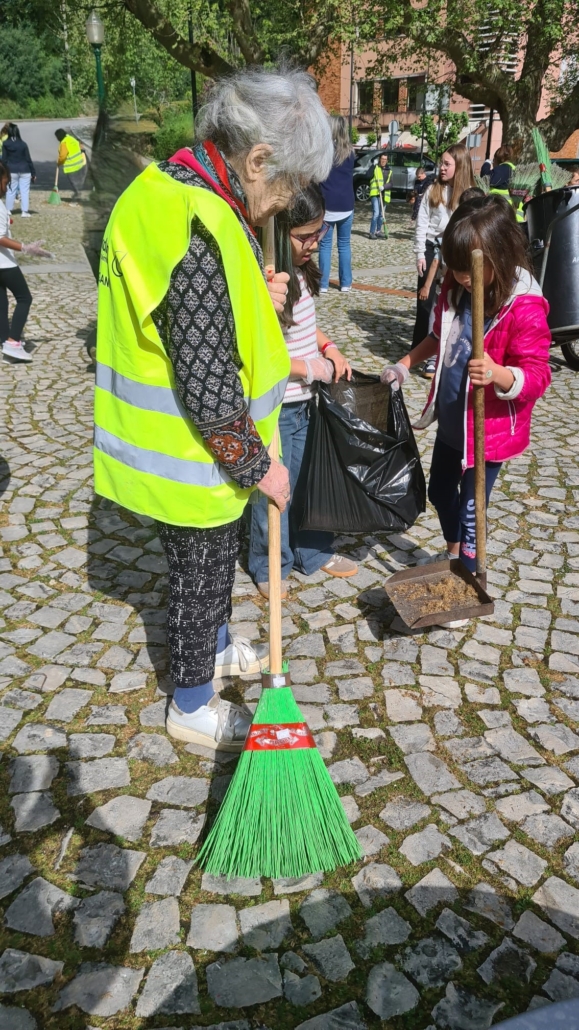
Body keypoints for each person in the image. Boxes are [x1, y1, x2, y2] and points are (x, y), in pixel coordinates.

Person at [94, 66, 334, 750]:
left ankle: (220, 644)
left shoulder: (177, 189)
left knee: (213, 564)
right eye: (287, 183)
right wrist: (261, 468)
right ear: (256, 161)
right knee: (199, 574)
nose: (284, 202)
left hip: (198, 450)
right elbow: (205, 381)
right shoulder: (198, 223)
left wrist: (253, 290)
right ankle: (192, 703)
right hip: (190, 454)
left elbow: (200, 317)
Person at [382, 194, 551, 581]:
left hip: (486, 432)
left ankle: (469, 580)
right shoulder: (455, 289)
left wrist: (498, 374)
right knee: (440, 492)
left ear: (499, 255)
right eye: (454, 268)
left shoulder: (524, 306)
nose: (459, 276)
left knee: (472, 511)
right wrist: (405, 365)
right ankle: (455, 552)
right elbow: (437, 337)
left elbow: (538, 374)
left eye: (466, 269)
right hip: (452, 424)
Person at [248, 185, 357, 596]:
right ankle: (269, 565)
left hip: (305, 403)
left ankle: (311, 552)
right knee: (275, 490)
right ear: (279, 233)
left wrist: (328, 348)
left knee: (308, 481)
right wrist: (307, 367)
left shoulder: (302, 272)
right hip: (277, 407)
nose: (314, 243)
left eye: (319, 233)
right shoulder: (267, 281)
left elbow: (304, 327)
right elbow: (259, 352)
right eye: (305, 236)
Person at [412, 143, 476, 367]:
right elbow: (422, 223)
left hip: (455, 249)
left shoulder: (469, 192)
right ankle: (418, 350)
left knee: (452, 299)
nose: (442, 167)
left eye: (447, 164)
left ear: (460, 166)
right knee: (425, 301)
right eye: (441, 163)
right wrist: (420, 253)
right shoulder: (433, 189)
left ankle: (447, 349)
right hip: (432, 247)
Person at [0, 161, 52, 362]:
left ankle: (4, 341)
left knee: (2, 301)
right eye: (5, 183)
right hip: (4, 263)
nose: (7, 188)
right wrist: (25, 247)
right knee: (24, 298)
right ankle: (13, 343)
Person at [318, 115, 356, 293]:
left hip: (327, 204)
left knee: (325, 246)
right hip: (346, 204)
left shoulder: (324, 152)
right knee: (344, 245)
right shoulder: (350, 152)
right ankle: (345, 283)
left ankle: (323, 284)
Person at [1, 124, 35, 218]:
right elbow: (28, 159)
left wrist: (3, 172)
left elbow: (4, 159)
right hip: (25, 169)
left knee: (10, 190)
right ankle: (24, 211)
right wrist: (33, 173)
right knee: (24, 191)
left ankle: (8, 210)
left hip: (11, 170)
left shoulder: (6, 144)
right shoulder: (23, 144)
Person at [55, 128, 88, 196]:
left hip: (72, 167)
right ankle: (79, 193)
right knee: (80, 180)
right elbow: (80, 146)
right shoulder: (71, 138)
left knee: (74, 182)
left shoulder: (64, 143)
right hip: (80, 164)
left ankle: (77, 195)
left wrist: (59, 162)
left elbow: (63, 156)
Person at [369, 153, 392, 239]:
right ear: (379, 159)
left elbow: (391, 183)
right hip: (375, 194)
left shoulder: (389, 170)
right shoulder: (375, 168)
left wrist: (384, 187)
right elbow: (368, 176)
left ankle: (378, 231)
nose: (383, 161)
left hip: (384, 195)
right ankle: (372, 232)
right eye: (382, 159)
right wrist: (372, 166)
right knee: (376, 213)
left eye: (385, 159)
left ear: (387, 160)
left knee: (381, 215)